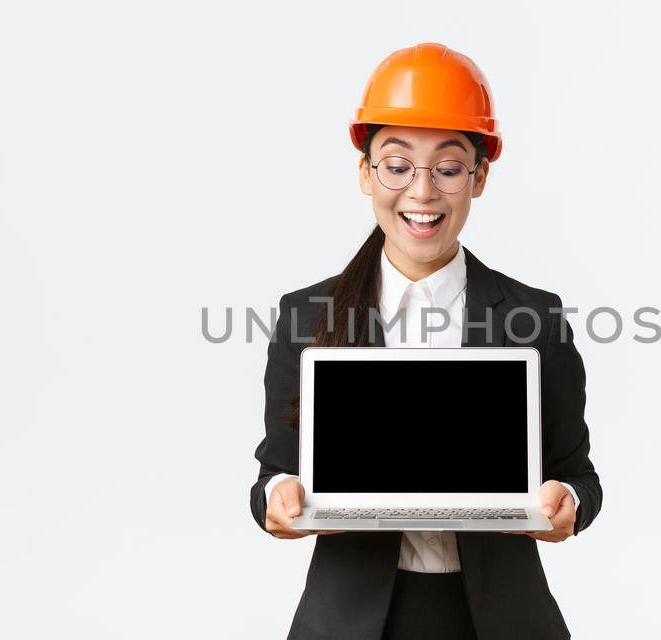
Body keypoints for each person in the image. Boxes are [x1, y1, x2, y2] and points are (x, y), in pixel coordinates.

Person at [248, 42, 603, 640]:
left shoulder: (535, 318)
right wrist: (279, 501)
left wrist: (566, 501)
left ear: (478, 177)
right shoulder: (306, 318)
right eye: (396, 163)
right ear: (365, 172)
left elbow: (579, 476)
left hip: (499, 620)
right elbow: (274, 472)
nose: (421, 191)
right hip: (353, 619)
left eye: (447, 167)